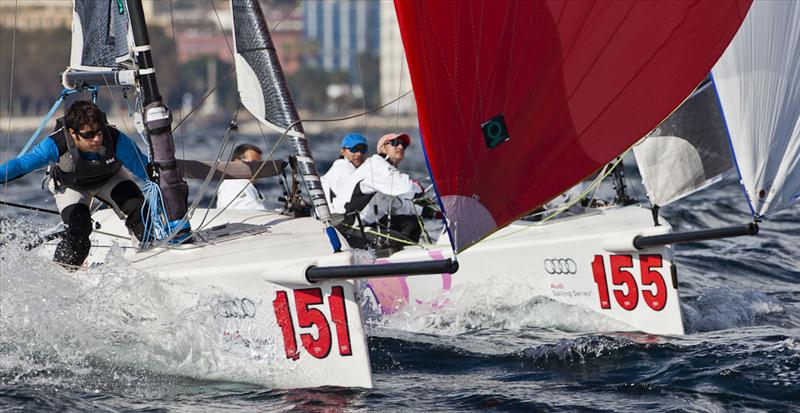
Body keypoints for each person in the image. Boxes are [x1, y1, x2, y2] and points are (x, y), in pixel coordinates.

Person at [0, 100, 150, 268]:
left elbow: (147, 170)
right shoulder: (55, 144)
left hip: (110, 178)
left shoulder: (116, 139)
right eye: (89, 135)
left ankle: (148, 254)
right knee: (79, 231)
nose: (97, 139)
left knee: (139, 209)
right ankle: (62, 272)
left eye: (100, 132)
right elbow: (21, 165)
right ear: (73, 133)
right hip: (71, 185)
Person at [333, 132, 424, 250]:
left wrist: (426, 211)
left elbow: (400, 205)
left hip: (366, 224)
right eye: (395, 143)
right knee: (397, 241)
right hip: (347, 227)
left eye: (403, 145)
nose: (400, 147)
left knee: (412, 223)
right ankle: (400, 255)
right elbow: (406, 187)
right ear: (382, 148)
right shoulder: (376, 164)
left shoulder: (387, 174)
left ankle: (404, 254)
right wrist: (418, 188)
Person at [321, 133, 368, 212]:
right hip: (334, 220)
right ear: (342, 151)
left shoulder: (353, 169)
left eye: (363, 150)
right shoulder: (341, 168)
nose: (359, 154)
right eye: (354, 149)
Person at [216, 143, 268, 211]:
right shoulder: (233, 184)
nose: (258, 168)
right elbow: (252, 211)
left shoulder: (246, 185)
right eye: (253, 163)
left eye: (260, 165)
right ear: (237, 162)